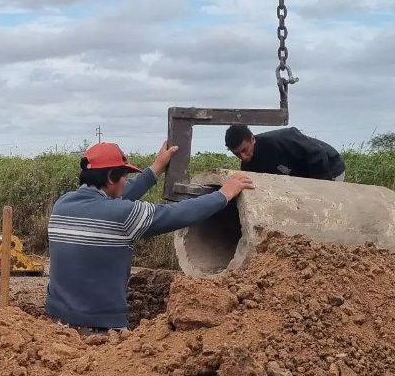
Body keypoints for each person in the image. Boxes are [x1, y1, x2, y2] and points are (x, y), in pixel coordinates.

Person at [46, 141, 254, 334]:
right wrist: (223, 194)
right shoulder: (123, 215)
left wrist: (155, 169)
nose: (125, 182)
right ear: (111, 177)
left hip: (55, 326)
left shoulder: (62, 205)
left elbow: (115, 199)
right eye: (124, 176)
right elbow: (177, 214)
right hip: (101, 330)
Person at [224, 125, 345, 181]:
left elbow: (317, 153)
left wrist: (320, 188)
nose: (243, 157)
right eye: (237, 154)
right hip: (301, 175)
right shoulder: (247, 166)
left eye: (245, 150)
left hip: (330, 166)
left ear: (252, 139)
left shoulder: (281, 139)